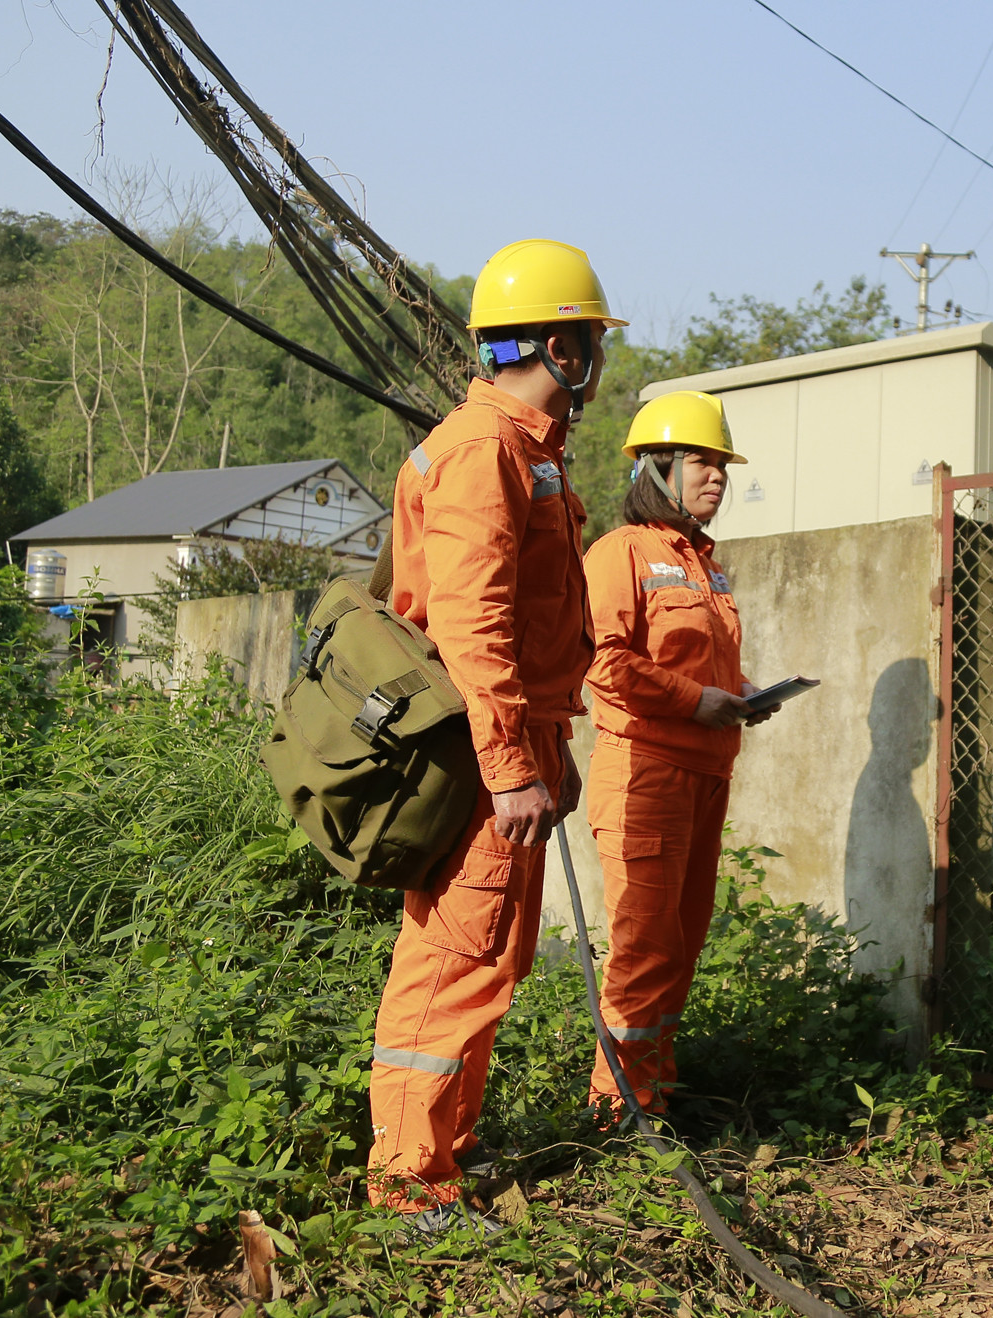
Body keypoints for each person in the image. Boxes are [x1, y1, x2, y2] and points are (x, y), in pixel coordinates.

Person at [367, 239, 621, 1234]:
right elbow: (471, 624)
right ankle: (407, 1185)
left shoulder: (523, 452)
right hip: (480, 758)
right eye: (591, 341)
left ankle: (443, 1158)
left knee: (488, 959)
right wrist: (513, 765)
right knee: (451, 960)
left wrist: (543, 750)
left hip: (508, 747)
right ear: (561, 346)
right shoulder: (485, 454)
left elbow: (528, 624)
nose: (597, 361)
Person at [582, 389, 776, 1118]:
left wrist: (740, 692)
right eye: (702, 461)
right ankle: (618, 1114)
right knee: (642, 951)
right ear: (657, 467)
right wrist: (699, 702)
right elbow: (605, 662)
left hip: (704, 775)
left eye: (723, 464)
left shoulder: (704, 566)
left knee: (680, 948)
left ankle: (652, 1095)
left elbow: (696, 664)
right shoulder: (620, 554)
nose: (718, 476)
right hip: (644, 776)